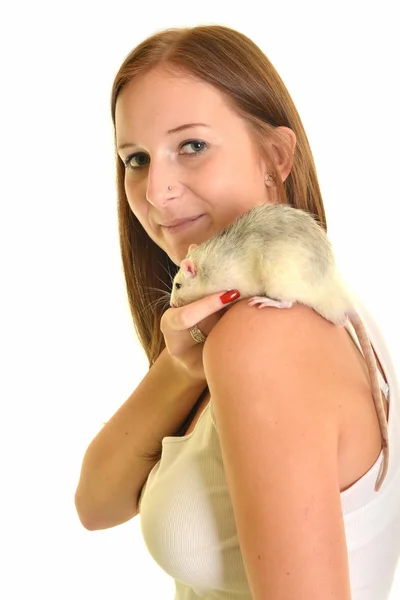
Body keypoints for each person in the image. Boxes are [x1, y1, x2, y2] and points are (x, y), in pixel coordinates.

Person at [74, 24, 400, 600]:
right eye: (136, 158)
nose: (155, 191)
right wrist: (179, 369)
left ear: (276, 156)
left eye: (192, 146)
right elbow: (95, 504)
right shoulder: (267, 321)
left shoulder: (263, 336)